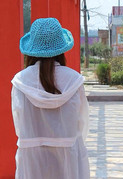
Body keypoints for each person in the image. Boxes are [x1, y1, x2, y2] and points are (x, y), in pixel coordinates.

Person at [11, 18, 90, 179]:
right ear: (61, 50)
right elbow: (82, 121)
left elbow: (19, 125)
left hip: (31, 157)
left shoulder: (20, 81)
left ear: (31, 50)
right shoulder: (74, 80)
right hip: (68, 154)